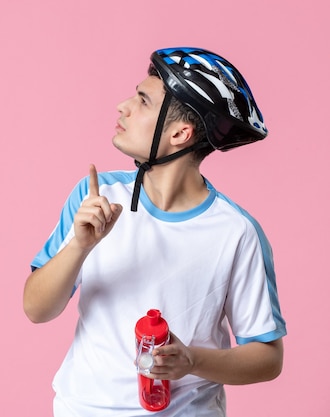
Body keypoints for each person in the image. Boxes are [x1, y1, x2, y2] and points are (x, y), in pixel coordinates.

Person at [23, 47, 287, 417]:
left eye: (143, 101)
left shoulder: (237, 232)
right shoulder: (97, 196)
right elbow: (36, 309)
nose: (123, 106)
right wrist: (80, 246)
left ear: (181, 132)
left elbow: (268, 358)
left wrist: (191, 361)